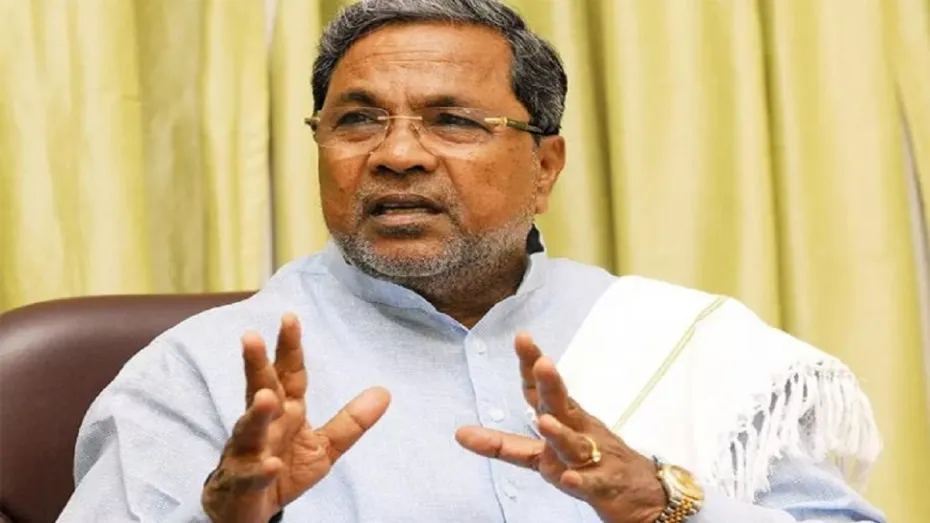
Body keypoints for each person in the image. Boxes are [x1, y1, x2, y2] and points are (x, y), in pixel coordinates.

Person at [58, 1, 887, 522]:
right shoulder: (202, 373)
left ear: (545, 167)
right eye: (357, 121)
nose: (397, 155)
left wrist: (664, 502)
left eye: (453, 121)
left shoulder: (678, 341)